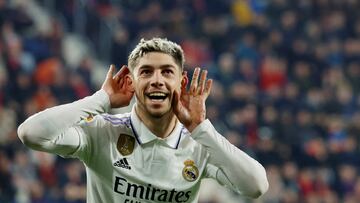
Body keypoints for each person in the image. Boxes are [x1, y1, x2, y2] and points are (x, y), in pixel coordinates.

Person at [18, 38, 268, 203]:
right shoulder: (102, 131)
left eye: (167, 72)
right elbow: (31, 133)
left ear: (181, 83)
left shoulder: (199, 145)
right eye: (146, 72)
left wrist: (200, 128)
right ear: (133, 83)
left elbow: (255, 186)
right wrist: (101, 99)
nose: (157, 80)